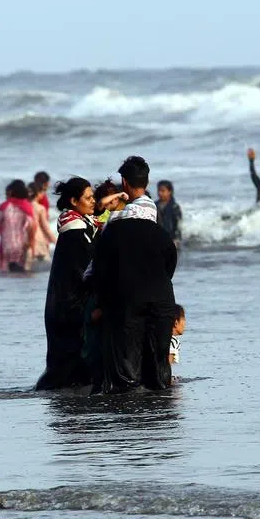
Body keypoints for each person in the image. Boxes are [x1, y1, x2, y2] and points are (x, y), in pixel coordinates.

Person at [88, 156, 178, 393]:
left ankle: (131, 421)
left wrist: (100, 304)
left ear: (125, 183)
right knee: (159, 368)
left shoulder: (113, 229)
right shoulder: (159, 229)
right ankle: (161, 420)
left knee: (127, 373)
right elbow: (170, 263)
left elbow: (100, 270)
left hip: (127, 302)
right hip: (162, 299)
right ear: (147, 183)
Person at [36, 177, 97, 390]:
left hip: (63, 307)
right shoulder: (75, 232)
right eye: (88, 198)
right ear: (73, 201)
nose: (93, 201)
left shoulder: (77, 226)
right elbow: (85, 270)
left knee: (63, 363)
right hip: (69, 309)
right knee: (67, 365)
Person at [0, 179, 36, 273]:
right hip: (22, 245)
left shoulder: (5, 207)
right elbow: (31, 226)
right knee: (23, 272)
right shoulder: (27, 207)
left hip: (7, 245)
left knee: (6, 271)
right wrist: (30, 242)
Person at [28, 182, 57, 265]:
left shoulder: (25, 207)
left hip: (27, 240)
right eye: (42, 192)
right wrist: (56, 242)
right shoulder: (40, 208)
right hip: (38, 240)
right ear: (38, 193)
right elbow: (46, 228)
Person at [156, 180, 183, 250]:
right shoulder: (154, 205)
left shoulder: (175, 207)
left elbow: (178, 226)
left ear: (170, 192)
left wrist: (176, 240)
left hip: (172, 239)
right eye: (158, 190)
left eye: (163, 191)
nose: (159, 193)